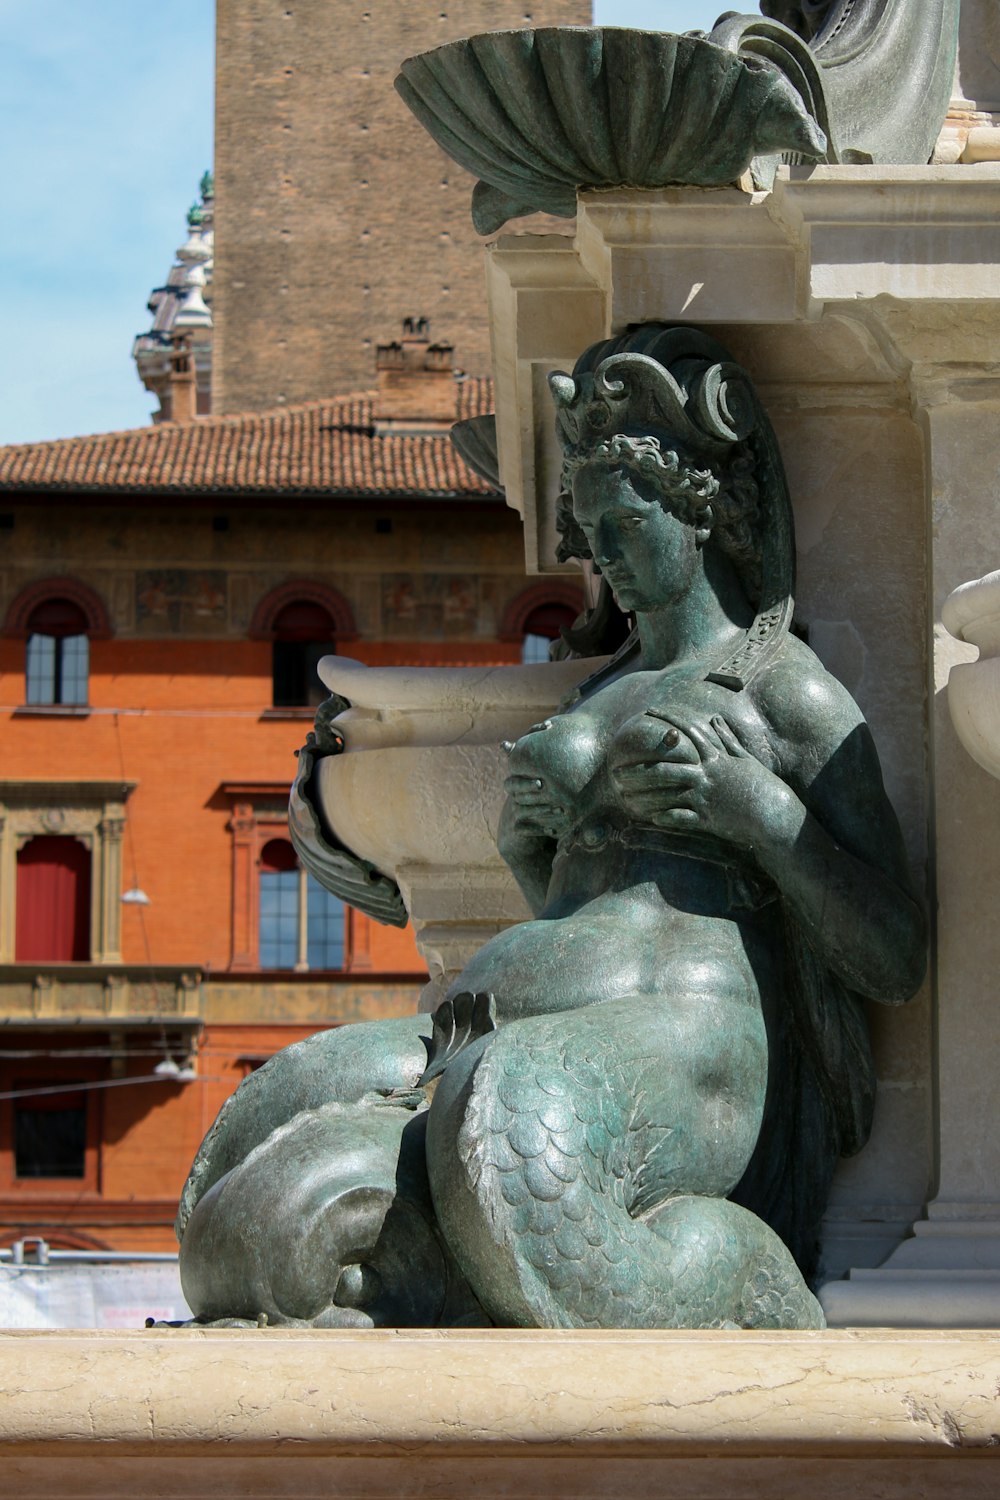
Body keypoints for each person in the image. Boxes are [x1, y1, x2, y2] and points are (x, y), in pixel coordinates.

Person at [177, 326, 925, 1331]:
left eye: (618, 522)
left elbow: (894, 953)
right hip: (486, 1027)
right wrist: (532, 842)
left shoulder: (775, 683)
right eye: (585, 522)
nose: (595, 552)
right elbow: (578, 905)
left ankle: (735, 1265)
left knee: (510, 1111)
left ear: (695, 511)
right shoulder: (607, 686)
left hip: (674, 1044)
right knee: (258, 1196)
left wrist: (759, 812)